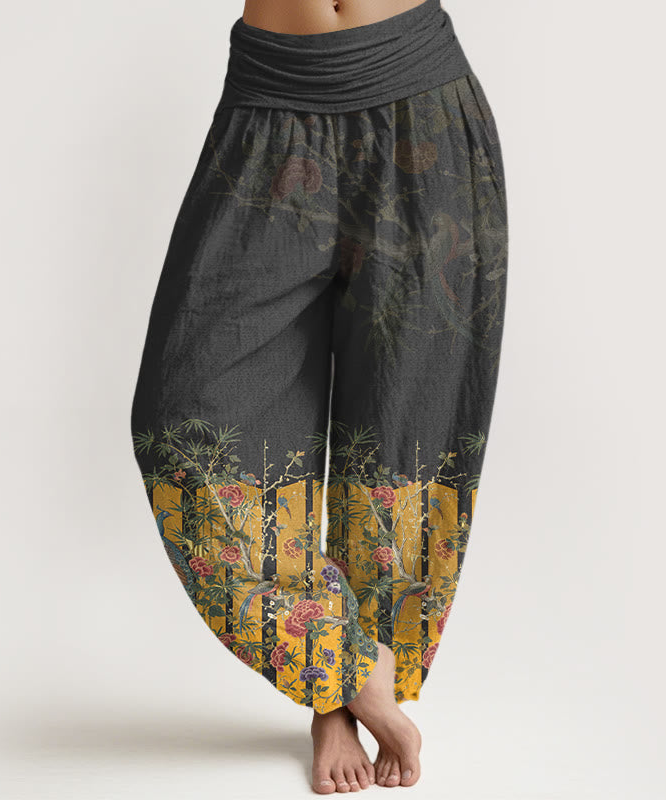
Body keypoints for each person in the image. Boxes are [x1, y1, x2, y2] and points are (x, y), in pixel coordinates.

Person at [130, 0, 508, 793]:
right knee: (183, 425)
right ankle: (344, 664)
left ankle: (336, 699)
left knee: (404, 425)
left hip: (420, 106)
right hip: (268, 109)